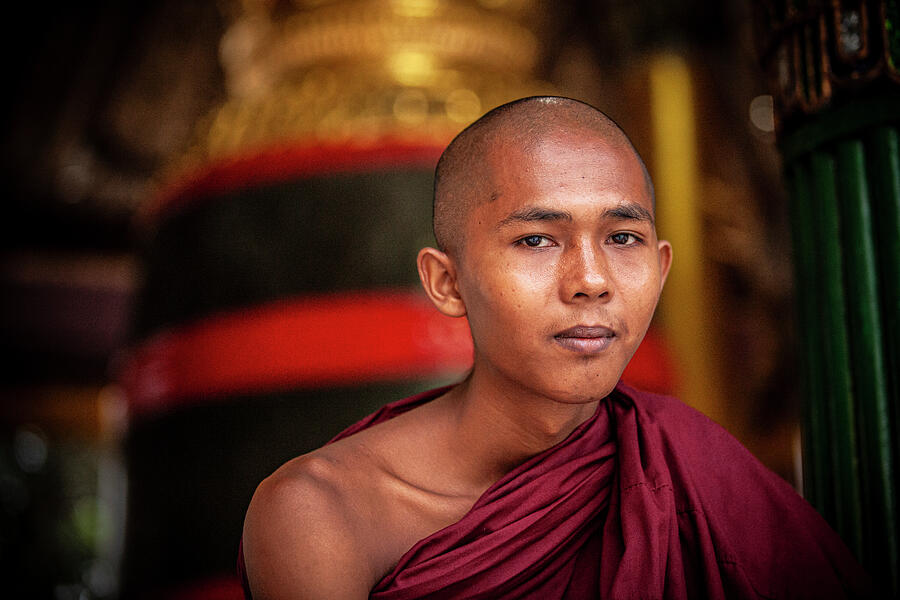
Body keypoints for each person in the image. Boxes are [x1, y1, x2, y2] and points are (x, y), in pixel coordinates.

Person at [239, 96, 872, 599]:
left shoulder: (696, 477)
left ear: (662, 268)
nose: (592, 281)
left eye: (623, 239)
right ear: (446, 281)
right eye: (538, 240)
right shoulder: (323, 513)